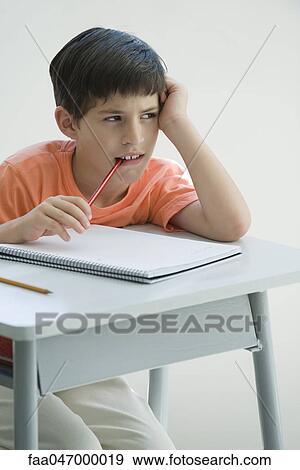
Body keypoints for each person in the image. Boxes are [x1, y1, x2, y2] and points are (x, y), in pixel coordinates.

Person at [0, 27, 251, 450]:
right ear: (69, 123)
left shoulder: (155, 182)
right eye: (113, 118)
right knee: (75, 448)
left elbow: (231, 225)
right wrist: (13, 231)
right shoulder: (23, 175)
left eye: (148, 115)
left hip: (68, 354)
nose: (134, 136)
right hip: (7, 360)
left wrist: (179, 123)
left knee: (153, 450)